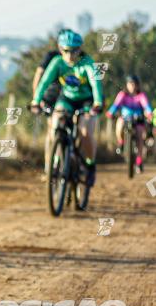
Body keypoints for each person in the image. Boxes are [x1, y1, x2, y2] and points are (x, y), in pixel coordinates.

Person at [31, 28, 104, 187]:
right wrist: (36, 101)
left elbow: (96, 84)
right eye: (66, 51)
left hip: (87, 100)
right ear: (60, 49)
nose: (70, 55)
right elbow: (43, 82)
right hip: (67, 98)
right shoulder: (57, 62)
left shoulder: (88, 63)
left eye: (74, 51)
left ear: (80, 49)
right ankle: (55, 163)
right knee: (55, 124)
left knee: (85, 132)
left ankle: (90, 166)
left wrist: (97, 103)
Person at [106, 74, 153, 172]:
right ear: (127, 85)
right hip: (125, 118)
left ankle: (139, 161)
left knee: (140, 134)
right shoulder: (122, 94)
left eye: (134, 84)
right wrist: (110, 112)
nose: (132, 86)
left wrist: (149, 114)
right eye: (130, 84)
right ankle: (121, 142)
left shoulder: (141, 96)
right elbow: (116, 105)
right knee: (120, 123)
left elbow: (147, 106)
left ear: (138, 85)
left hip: (138, 119)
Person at [32, 42, 60, 176]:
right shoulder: (51, 57)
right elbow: (39, 75)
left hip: (72, 98)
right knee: (52, 131)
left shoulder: (80, 58)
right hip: (51, 97)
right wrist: (36, 99)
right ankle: (49, 168)